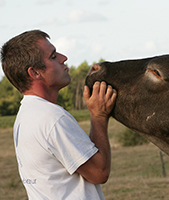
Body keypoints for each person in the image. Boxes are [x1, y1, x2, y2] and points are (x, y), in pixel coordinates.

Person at [1, 30, 117, 200]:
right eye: (53, 56)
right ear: (35, 73)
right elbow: (99, 172)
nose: (64, 58)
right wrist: (98, 116)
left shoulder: (25, 116)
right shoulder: (52, 118)